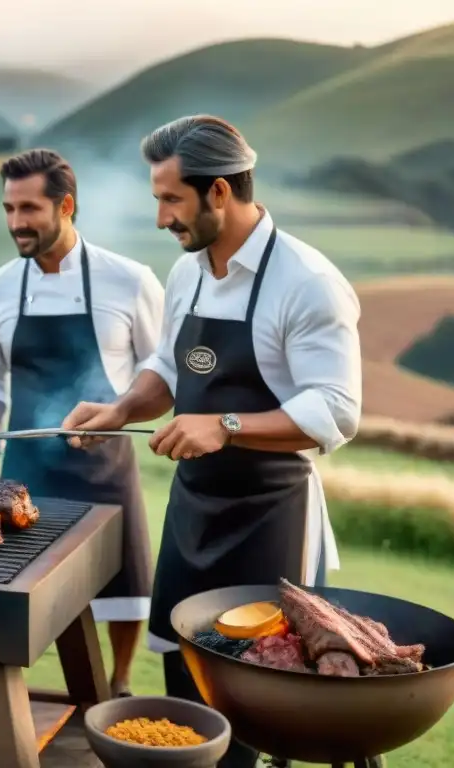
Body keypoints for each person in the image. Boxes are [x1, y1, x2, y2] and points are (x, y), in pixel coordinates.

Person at [63, 116, 358, 767]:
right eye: (157, 199)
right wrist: (119, 409)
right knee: (182, 692)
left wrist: (224, 427)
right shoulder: (190, 273)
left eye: (171, 198)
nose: (162, 216)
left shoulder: (306, 281)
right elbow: (170, 370)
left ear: (219, 192)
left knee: (255, 705)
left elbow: (336, 411)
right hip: (194, 512)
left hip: (271, 518)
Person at [0, 149, 164, 697]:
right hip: (25, 470)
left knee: (126, 580)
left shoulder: (130, 281)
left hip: (106, 465)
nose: (16, 223)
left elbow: (160, 367)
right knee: (17, 585)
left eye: (28, 208)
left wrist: (126, 409)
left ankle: (118, 686)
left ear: (66, 205)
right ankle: (11, 692)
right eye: (8, 208)